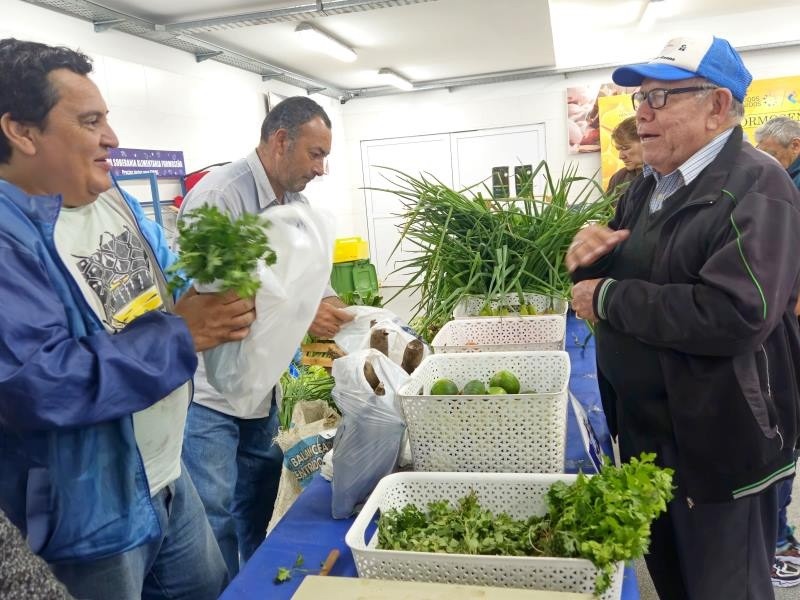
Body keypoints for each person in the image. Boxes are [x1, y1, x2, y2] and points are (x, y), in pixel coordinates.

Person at [0, 38, 258, 599]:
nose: (113, 139)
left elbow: (162, 282)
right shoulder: (6, 238)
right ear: (21, 132)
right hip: (84, 514)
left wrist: (218, 296)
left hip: (164, 474)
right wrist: (181, 333)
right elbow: (39, 383)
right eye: (90, 121)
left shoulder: (110, 195)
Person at [567, 35, 800, 599]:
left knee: (725, 588)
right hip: (652, 433)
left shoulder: (757, 184)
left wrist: (607, 297)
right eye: (641, 97)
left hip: (719, 441)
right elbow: (622, 279)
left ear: (717, 106)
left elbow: (736, 312)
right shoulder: (647, 185)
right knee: (674, 581)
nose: (640, 112)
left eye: (661, 98)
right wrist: (587, 261)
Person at [179, 95, 352, 577]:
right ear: (281, 141)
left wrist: (343, 311)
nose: (322, 168)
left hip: (261, 386)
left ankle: (254, 582)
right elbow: (214, 302)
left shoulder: (295, 206)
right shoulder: (221, 197)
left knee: (255, 503)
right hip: (211, 393)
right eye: (316, 154)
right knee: (214, 515)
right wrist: (299, 312)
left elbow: (316, 284)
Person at [755, 115, 800, 585]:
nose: (765, 157)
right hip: (782, 319)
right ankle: (777, 535)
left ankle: (780, 540)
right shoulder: (777, 179)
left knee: (784, 428)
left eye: (771, 150)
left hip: (787, 322)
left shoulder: (780, 187)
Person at [605, 115, 643, 196]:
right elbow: (606, 208)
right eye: (619, 149)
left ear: (645, 141)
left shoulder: (668, 175)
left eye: (625, 148)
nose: (621, 156)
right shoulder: (619, 178)